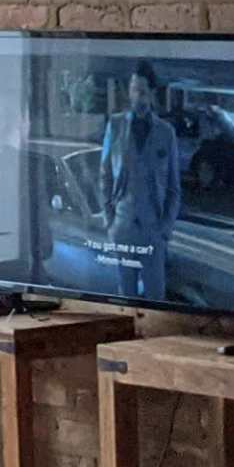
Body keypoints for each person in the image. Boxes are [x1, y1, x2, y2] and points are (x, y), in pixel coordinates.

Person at [95, 68, 186, 304]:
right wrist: (110, 221)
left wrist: (164, 230)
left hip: (153, 232)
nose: (139, 97)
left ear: (152, 93)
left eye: (144, 92)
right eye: (135, 91)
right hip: (122, 228)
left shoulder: (166, 133)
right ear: (130, 92)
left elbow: (175, 189)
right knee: (125, 300)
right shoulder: (115, 126)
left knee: (156, 300)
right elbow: (104, 175)